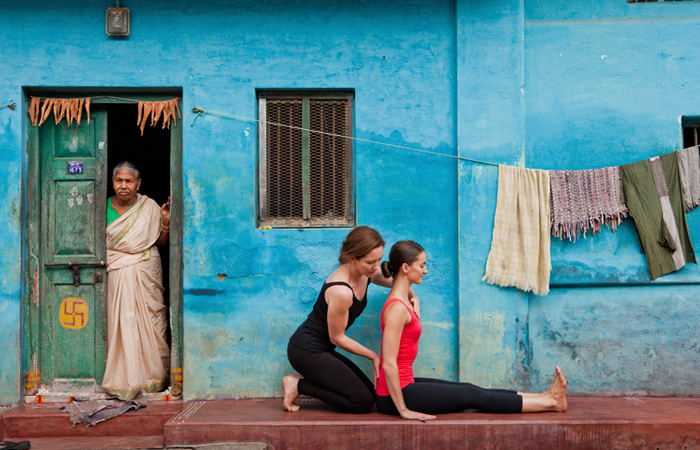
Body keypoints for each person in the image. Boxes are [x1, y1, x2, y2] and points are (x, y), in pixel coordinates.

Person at [376, 240, 568, 421]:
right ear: (405, 268)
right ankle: (551, 403)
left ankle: (546, 397)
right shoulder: (397, 309)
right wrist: (403, 410)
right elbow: (389, 364)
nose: (425, 271)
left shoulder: (403, 301)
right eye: (422, 265)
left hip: (405, 383)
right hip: (393, 396)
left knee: (469, 388)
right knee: (472, 395)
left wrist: (413, 297)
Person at [282, 226, 421, 413]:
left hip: (322, 349)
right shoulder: (341, 291)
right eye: (371, 262)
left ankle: (299, 384)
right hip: (306, 350)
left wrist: (413, 296)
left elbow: (397, 281)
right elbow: (337, 338)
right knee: (361, 403)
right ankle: (298, 385)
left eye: (379, 259)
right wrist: (373, 356)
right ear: (353, 258)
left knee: (370, 396)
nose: (376, 266)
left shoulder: (366, 274)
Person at [101, 161, 171, 400]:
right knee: (121, 322)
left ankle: (151, 377)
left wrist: (165, 221)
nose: (123, 185)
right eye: (118, 180)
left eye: (128, 181)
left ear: (138, 184)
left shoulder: (149, 207)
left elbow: (160, 243)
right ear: (112, 183)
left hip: (145, 268)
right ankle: (122, 378)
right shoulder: (101, 207)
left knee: (150, 322)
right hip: (116, 268)